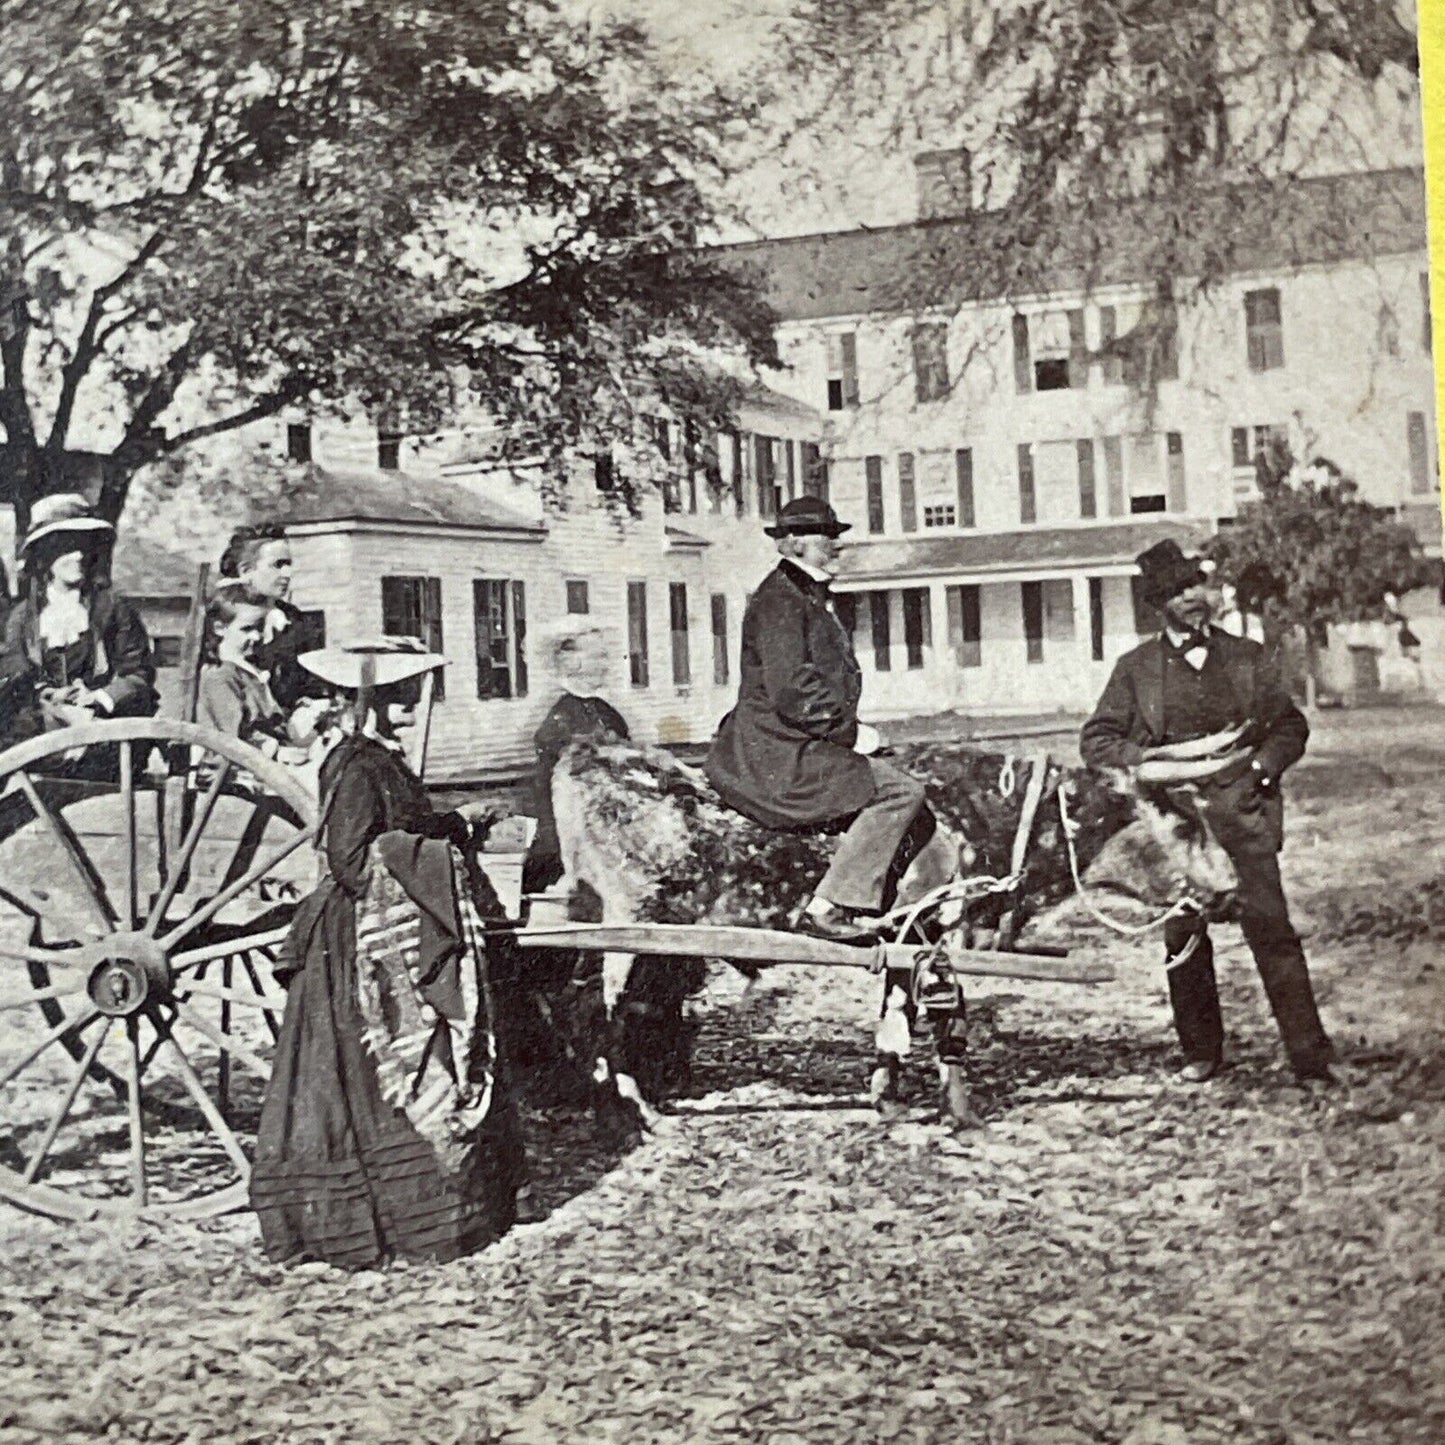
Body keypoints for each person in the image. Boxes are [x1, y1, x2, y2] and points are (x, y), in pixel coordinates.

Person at [249, 639, 523, 1269]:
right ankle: (387, 1221)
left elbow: (402, 831)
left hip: (377, 919)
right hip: (358, 943)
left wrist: (454, 824)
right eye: (398, 701)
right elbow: (351, 859)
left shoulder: (380, 759)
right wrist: (433, 850)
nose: (408, 712)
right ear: (365, 704)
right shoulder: (353, 765)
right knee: (375, 1079)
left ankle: (441, 1211)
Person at [1080, 538, 1335, 1086]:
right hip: (1177, 830)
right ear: (1159, 604)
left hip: (1242, 817)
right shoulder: (1136, 669)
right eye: (1177, 591)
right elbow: (1097, 739)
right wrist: (1144, 764)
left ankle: (1310, 1057)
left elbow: (1290, 726)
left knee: (1272, 934)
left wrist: (1262, 771)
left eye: (1197, 584)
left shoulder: (1247, 657)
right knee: (1184, 942)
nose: (1193, 597)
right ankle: (1201, 1051)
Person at [705, 496, 933, 943]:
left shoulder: (804, 596)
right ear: (792, 544)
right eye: (825, 538)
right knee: (900, 792)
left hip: (794, 741)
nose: (836, 546)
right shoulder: (780, 600)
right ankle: (828, 907)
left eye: (836, 537)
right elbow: (792, 690)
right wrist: (849, 735)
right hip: (776, 752)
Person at [0, 494, 157, 747]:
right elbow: (14, 674)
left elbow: (138, 674)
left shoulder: (113, 608)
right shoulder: (23, 617)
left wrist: (100, 697)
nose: (78, 555)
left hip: (103, 726)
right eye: (65, 547)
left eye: (84, 546)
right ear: (44, 556)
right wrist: (46, 693)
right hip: (40, 727)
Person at [522, 618, 631, 895]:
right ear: (571, 662)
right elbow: (552, 789)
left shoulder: (607, 713)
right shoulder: (559, 717)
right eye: (597, 656)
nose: (605, 664)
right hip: (569, 832)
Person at [217, 524, 326, 713]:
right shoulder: (219, 618)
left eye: (288, 565)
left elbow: (314, 684)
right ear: (245, 571)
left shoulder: (297, 622)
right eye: (278, 565)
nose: (287, 574)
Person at [195, 583, 305, 760]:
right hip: (234, 771)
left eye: (260, 628)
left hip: (266, 763)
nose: (256, 636)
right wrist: (278, 753)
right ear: (219, 629)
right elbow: (234, 737)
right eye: (247, 629)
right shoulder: (219, 676)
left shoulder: (248, 671)